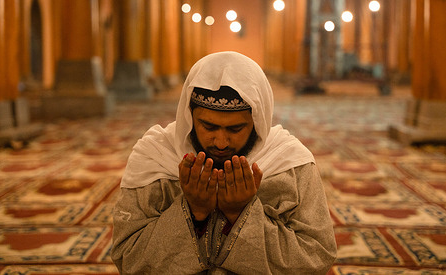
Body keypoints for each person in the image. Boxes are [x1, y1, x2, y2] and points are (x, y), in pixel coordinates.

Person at [111, 51, 337, 274]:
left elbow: (317, 256)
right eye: (208, 127)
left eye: (235, 129)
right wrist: (193, 211)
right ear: (189, 116)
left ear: (257, 121)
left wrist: (240, 213)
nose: (220, 142)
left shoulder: (289, 162)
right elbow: (127, 257)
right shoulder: (155, 157)